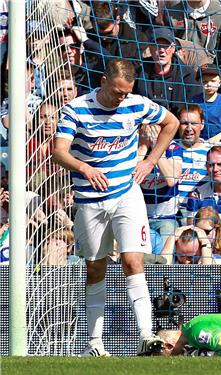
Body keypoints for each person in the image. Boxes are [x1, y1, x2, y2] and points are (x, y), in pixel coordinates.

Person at [52, 59, 180, 356]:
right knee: (95, 268)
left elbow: (170, 122)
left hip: (126, 193)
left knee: (132, 261)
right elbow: (58, 151)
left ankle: (147, 336)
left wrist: (149, 161)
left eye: (126, 93)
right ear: (103, 81)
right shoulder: (76, 109)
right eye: (116, 92)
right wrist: (84, 167)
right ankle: (94, 344)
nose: (120, 98)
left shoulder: (136, 105)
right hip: (90, 199)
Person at [134, 27, 199, 115]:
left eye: (166, 46)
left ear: (173, 48)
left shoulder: (187, 75)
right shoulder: (139, 71)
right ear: (150, 47)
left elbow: (194, 109)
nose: (161, 50)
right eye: (157, 45)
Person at [175, 105, 212, 215]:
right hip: (174, 212)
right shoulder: (169, 148)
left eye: (194, 123)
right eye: (185, 123)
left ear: (202, 124)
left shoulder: (211, 151)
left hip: (201, 212)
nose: (189, 128)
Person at [191, 64, 221, 144]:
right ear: (198, 82)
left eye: (213, 81)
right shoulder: (194, 101)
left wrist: (218, 137)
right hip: (198, 141)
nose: (209, 85)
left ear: (220, 82)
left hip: (219, 142)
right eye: (205, 81)